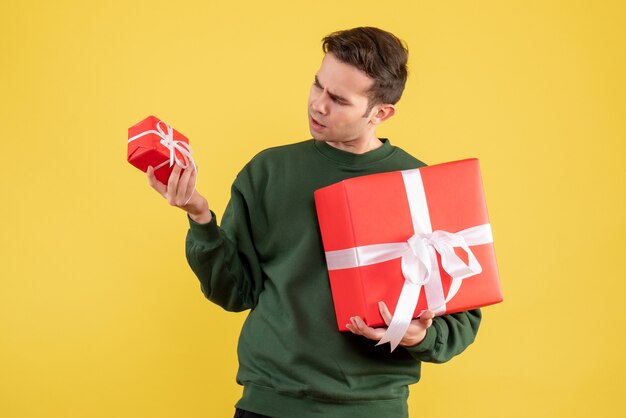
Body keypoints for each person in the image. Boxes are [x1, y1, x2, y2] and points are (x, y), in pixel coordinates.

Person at [147, 27, 481, 418]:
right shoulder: (268, 171)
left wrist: (420, 335)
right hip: (268, 403)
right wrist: (199, 216)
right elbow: (235, 293)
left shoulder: (422, 188)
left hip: (371, 407)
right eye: (317, 85)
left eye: (339, 99)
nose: (318, 105)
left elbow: (462, 320)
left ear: (381, 113)